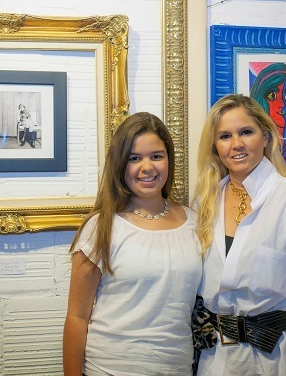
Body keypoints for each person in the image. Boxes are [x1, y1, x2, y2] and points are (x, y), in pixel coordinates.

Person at [191, 94, 286, 375]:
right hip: (214, 360)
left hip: (278, 360)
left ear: (265, 137)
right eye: (225, 135)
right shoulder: (204, 204)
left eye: (246, 132)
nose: (236, 144)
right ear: (214, 146)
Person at [63, 112, 202, 375]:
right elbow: (77, 317)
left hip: (177, 367)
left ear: (169, 160)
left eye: (156, 156)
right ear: (119, 165)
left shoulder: (194, 223)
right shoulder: (101, 227)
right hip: (109, 368)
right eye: (134, 158)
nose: (146, 167)